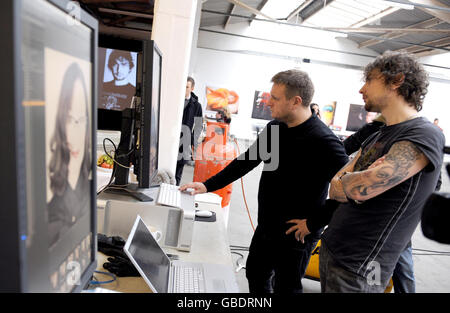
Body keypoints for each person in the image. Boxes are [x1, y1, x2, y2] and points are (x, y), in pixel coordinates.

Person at [287, 51, 445, 292]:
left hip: (363, 266)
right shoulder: (378, 134)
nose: (362, 89)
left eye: (369, 79)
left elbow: (361, 188)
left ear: (397, 81)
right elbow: (336, 185)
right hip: (335, 251)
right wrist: (352, 180)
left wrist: (352, 180)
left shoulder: (423, 134)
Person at [181, 69, 349, 293]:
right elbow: (246, 161)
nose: (268, 103)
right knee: (256, 275)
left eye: (275, 98)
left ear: (295, 101)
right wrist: (206, 185)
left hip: (295, 234)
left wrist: (314, 223)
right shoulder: (276, 129)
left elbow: (348, 190)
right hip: (267, 225)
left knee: (286, 287)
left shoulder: (324, 141)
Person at [344, 114, 416, 293]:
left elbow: (432, 184)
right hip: (360, 224)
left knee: (402, 272)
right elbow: (347, 148)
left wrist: (394, 178)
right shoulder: (374, 133)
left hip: (393, 224)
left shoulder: (415, 138)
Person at [47, 62, 91, 248]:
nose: (74, 134)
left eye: (81, 120)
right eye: (69, 119)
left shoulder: (88, 189)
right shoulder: (50, 210)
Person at [175, 76, 203, 185]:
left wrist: (193, 140)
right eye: (183, 86)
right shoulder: (175, 101)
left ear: (192, 88)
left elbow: (199, 125)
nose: (184, 89)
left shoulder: (196, 106)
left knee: (178, 171)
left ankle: (173, 193)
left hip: (184, 142)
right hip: (171, 140)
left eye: (187, 87)